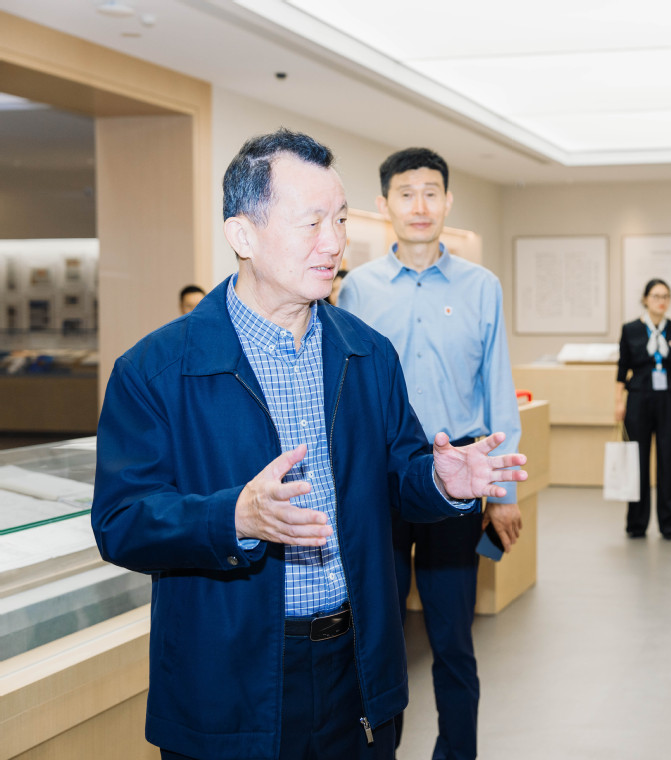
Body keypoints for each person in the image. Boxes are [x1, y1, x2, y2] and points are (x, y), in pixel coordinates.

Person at [92, 129, 526, 760]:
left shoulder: (367, 353)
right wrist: (234, 517)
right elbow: (122, 521)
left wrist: (439, 480)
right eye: (312, 222)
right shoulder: (155, 371)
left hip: (357, 672)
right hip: (230, 682)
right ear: (243, 235)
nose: (334, 242)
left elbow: (398, 470)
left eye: (341, 220)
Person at [338, 147, 521, 760]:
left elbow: (497, 388)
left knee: (453, 643)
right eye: (406, 192)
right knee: (377, 640)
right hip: (382, 485)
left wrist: (503, 494)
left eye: (431, 192)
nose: (419, 205)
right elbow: (346, 396)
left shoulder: (481, 287)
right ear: (384, 204)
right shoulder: (357, 289)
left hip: (456, 485)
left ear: (448, 202)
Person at [614, 278, 671, 539]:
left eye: (666, 296)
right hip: (638, 398)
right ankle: (636, 523)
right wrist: (618, 402)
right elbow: (622, 369)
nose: (661, 301)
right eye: (656, 296)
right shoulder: (631, 329)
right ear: (646, 299)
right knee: (637, 461)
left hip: (668, 399)